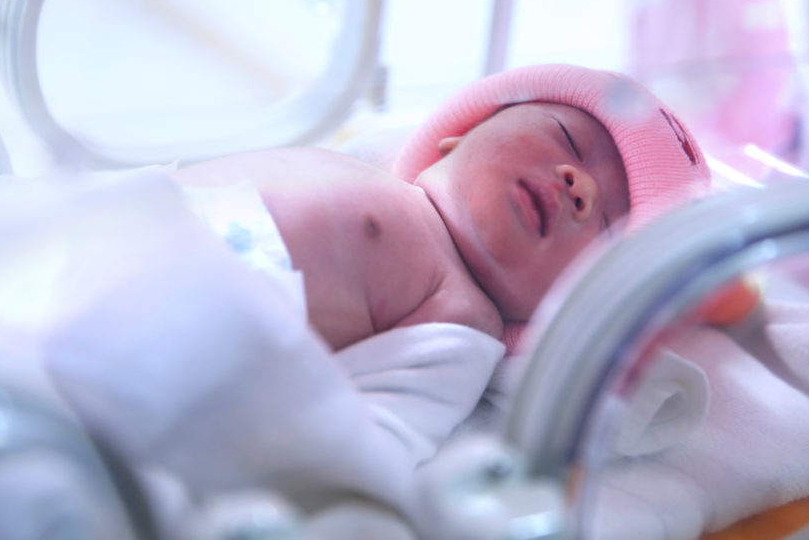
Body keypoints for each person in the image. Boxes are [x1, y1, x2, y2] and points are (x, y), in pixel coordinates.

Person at [173, 63, 713, 352]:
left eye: (607, 230)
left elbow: (380, 435)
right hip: (136, 226)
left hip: (186, 338)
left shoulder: (459, 319)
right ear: (463, 131)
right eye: (566, 139)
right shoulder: (359, 161)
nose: (581, 188)